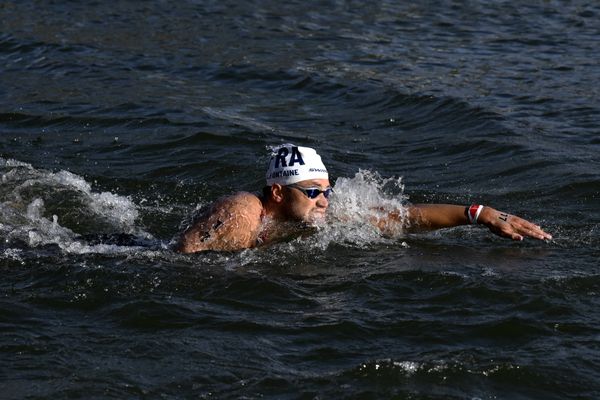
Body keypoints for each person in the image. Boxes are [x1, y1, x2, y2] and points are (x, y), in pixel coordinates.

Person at [175, 144, 552, 253]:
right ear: (276, 192)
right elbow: (179, 259)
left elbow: (402, 218)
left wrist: (478, 213)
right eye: (312, 192)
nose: (323, 201)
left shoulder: (312, 216)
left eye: (327, 191)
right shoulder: (241, 217)